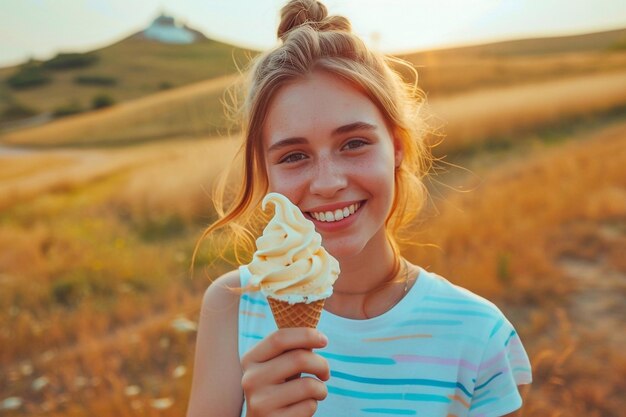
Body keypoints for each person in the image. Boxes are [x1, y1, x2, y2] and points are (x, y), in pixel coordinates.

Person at [186, 1, 532, 416]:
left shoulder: (479, 334)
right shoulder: (232, 305)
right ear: (266, 173)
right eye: (294, 155)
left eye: (354, 143)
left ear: (398, 148)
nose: (329, 183)